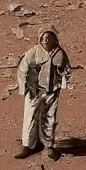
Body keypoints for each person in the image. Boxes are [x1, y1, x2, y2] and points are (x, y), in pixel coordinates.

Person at [15, 24, 71, 160]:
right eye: (43, 37)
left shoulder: (59, 53)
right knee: (31, 116)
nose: (46, 40)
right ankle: (28, 145)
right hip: (35, 90)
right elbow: (22, 68)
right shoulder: (34, 52)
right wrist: (25, 87)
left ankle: (48, 145)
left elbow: (66, 70)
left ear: (54, 39)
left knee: (49, 117)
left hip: (52, 91)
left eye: (49, 37)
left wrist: (63, 84)